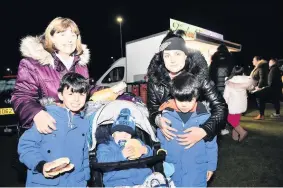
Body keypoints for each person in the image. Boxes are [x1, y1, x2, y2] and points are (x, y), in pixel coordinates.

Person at [147, 30, 227, 147]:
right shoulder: (155, 79)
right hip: (171, 138)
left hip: (198, 136)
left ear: (186, 55)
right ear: (162, 58)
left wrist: (204, 130)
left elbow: (220, 107)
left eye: (177, 54)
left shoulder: (199, 76)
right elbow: (152, 109)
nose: (172, 60)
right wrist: (158, 121)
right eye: (167, 55)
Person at [11, 17, 90, 133]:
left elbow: (84, 89)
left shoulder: (81, 65)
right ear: (51, 38)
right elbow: (21, 96)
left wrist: (113, 92)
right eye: (62, 35)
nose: (69, 40)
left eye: (73, 35)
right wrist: (36, 113)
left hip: (76, 130)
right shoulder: (32, 64)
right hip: (48, 133)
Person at [18, 72, 90, 187]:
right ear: (61, 95)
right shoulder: (46, 117)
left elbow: (84, 155)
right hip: (45, 184)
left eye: (81, 94)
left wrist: (85, 179)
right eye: (71, 94)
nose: (77, 99)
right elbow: (26, 146)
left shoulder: (84, 122)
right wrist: (41, 166)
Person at [157, 72, 218, 187]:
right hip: (173, 170)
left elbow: (211, 144)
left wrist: (211, 166)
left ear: (196, 97)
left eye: (189, 100)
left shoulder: (205, 118)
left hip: (197, 170)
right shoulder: (166, 118)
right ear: (174, 97)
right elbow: (160, 144)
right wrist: (161, 164)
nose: (184, 104)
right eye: (180, 100)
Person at [96, 108, 166, 187]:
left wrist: (145, 151)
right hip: (118, 181)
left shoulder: (136, 142)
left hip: (142, 179)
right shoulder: (106, 145)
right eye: (119, 132)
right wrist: (121, 154)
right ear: (113, 134)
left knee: (158, 176)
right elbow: (101, 159)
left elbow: (150, 156)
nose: (124, 135)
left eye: (128, 133)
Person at [223, 66, 254, 142]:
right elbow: (251, 88)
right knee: (236, 120)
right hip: (242, 103)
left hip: (233, 103)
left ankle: (242, 132)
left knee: (231, 120)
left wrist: (227, 102)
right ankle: (235, 137)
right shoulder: (245, 81)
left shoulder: (230, 82)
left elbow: (226, 95)